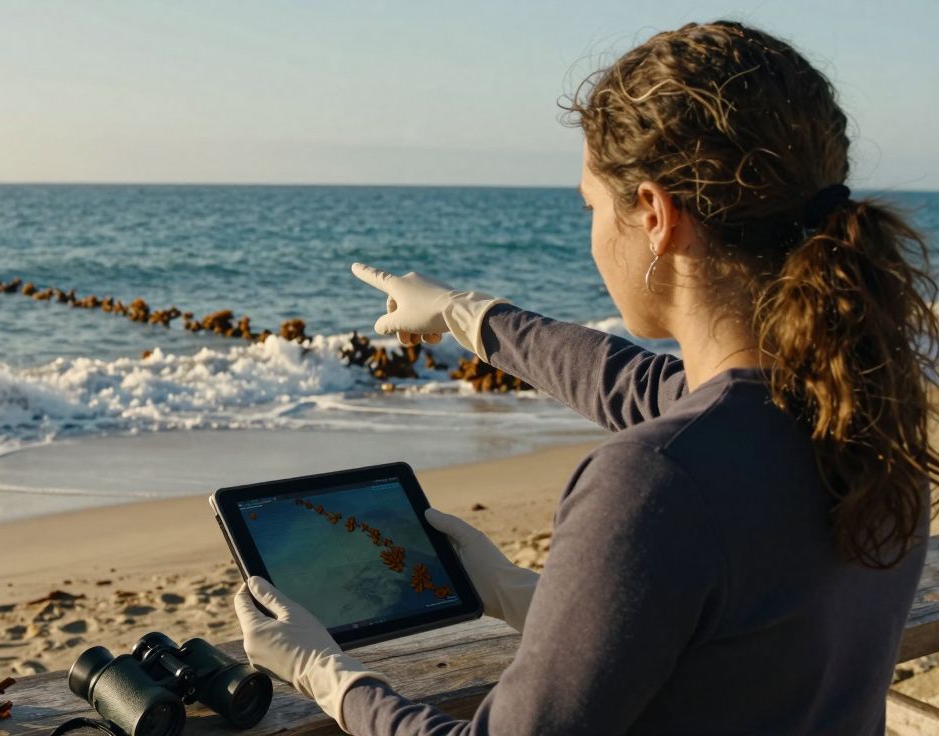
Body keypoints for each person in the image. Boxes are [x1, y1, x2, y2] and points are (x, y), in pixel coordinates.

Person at [233, 20, 939, 735]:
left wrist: (329, 675)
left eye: (592, 208)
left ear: (655, 215)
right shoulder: (864, 413)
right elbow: (630, 390)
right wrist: (461, 313)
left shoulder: (655, 481)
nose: (593, 233)